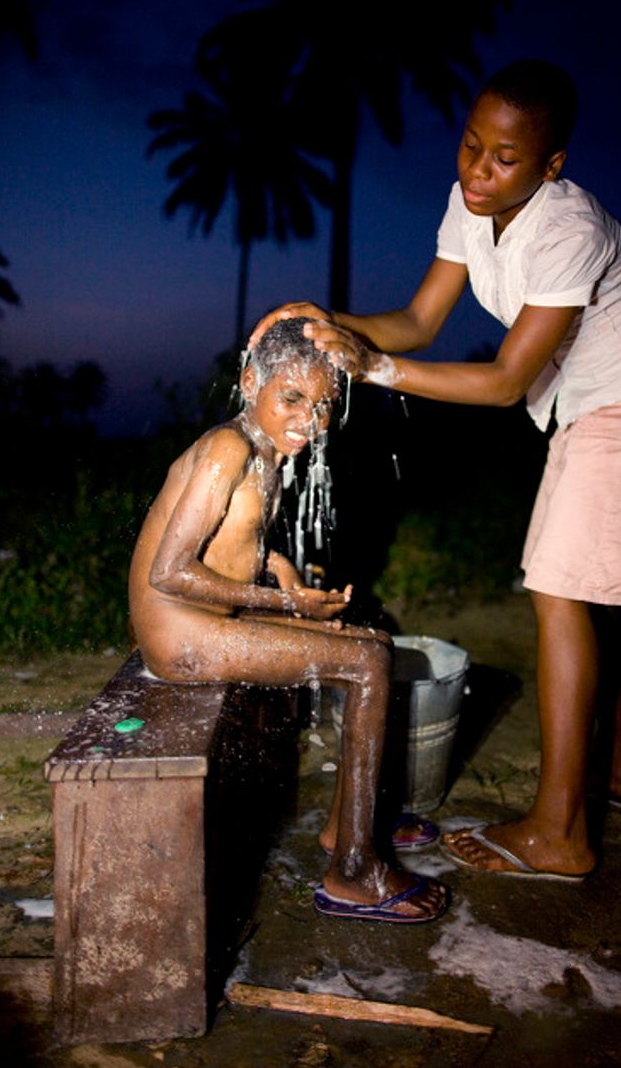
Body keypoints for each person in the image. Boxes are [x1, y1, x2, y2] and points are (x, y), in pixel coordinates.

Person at [251, 60, 621, 882]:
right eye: (470, 145)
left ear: (551, 165)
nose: (478, 170)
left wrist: (375, 369)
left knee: (559, 588)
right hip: (591, 405)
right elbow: (419, 319)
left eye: (504, 158)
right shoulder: (470, 205)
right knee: (596, 596)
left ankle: (561, 832)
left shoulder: (569, 232)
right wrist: (327, 320)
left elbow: (502, 381)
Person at [129, 318, 448, 921]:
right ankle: (352, 871)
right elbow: (168, 572)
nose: (311, 420)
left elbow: (240, 536)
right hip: (178, 637)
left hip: (207, 620)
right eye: (293, 398)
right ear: (251, 382)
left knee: (373, 644)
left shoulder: (262, 446)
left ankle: (347, 827)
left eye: (324, 406)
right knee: (366, 663)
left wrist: (285, 575)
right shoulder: (227, 450)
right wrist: (286, 605)